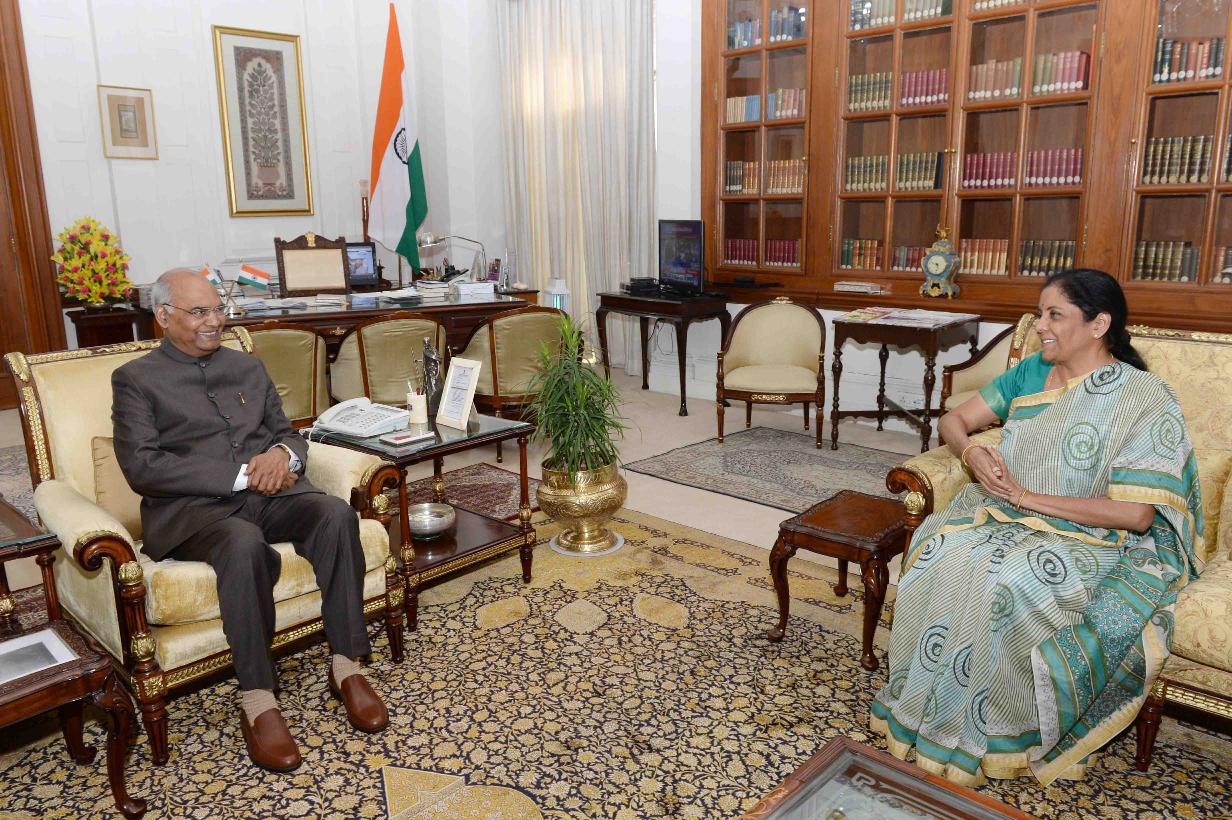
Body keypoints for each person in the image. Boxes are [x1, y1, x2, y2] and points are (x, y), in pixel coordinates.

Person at [870, 269, 1204, 787]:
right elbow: (953, 422)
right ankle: (927, 713)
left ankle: (997, 734)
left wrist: (1028, 498)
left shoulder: (1143, 398)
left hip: (1095, 537)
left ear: (1099, 325)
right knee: (940, 556)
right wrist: (972, 452)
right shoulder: (1030, 372)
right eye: (1039, 313)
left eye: (1054, 315)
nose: (1039, 326)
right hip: (1003, 514)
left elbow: (1137, 515)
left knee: (1010, 581)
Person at [112, 269, 389, 773]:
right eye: (200, 312)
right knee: (242, 542)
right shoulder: (136, 379)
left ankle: (346, 665)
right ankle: (258, 699)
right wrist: (240, 475)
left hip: (272, 494)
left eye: (219, 309)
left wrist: (283, 454)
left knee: (333, 513)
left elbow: (289, 432)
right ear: (163, 316)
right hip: (196, 511)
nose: (214, 321)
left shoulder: (248, 367)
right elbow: (142, 466)